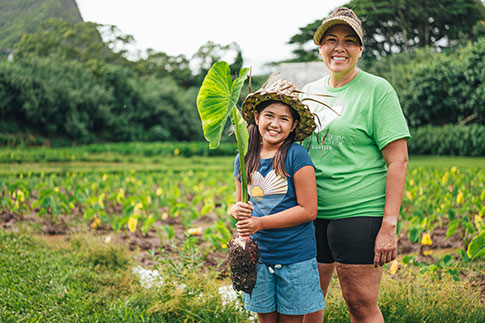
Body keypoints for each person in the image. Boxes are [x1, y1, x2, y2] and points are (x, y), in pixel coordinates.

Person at [300, 7, 411, 323]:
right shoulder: (308, 93)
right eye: (331, 40)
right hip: (311, 213)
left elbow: (398, 160)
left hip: (359, 211)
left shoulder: (377, 90)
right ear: (320, 47)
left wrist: (389, 224)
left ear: (360, 49)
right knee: (307, 303)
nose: (339, 48)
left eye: (349, 41)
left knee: (359, 303)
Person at [231, 79, 325, 322]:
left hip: (294, 257)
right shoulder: (244, 158)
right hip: (259, 257)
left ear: (293, 125)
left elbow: (308, 210)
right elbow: (242, 204)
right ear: (256, 117)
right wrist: (235, 210)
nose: (275, 124)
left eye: (284, 119)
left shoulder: (296, 155)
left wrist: (261, 223)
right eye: (269, 115)